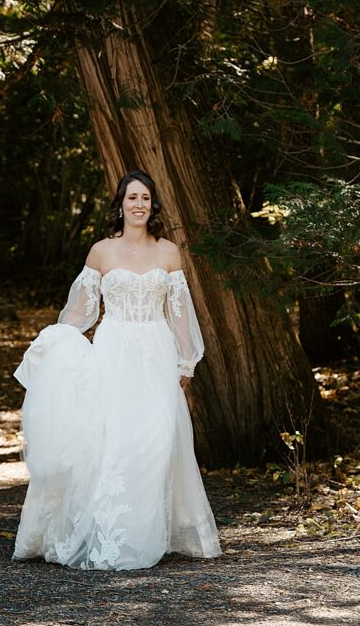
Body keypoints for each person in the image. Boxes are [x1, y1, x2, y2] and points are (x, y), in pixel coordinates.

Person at [12, 169, 222, 571]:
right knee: (115, 440)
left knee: (157, 438)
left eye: (145, 198)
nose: (139, 205)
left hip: (156, 351)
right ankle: (113, 535)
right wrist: (57, 341)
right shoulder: (101, 252)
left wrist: (187, 360)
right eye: (132, 198)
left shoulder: (168, 252)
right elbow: (81, 309)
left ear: (153, 205)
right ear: (121, 205)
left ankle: (144, 532)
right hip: (113, 351)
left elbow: (179, 312)